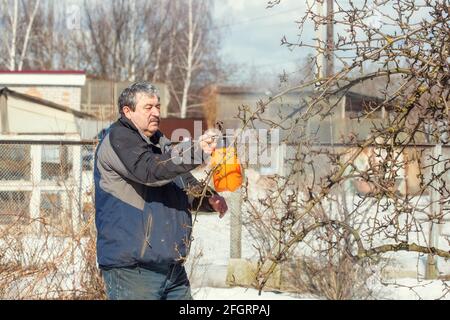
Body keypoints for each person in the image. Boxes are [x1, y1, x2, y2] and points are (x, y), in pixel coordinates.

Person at [94, 81, 228, 300]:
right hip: (133, 270)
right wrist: (195, 150)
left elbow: (181, 182)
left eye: (158, 106)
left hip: (171, 268)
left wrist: (208, 199)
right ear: (127, 111)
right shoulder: (119, 140)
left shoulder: (159, 143)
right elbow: (151, 172)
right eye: (148, 107)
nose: (156, 113)